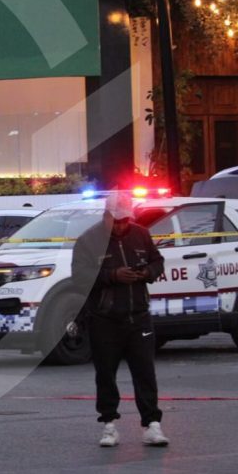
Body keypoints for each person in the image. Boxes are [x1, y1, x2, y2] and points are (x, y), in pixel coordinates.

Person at [72, 192, 169, 448]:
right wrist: (113, 275)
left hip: (138, 316)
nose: (120, 225)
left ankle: (152, 424)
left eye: (125, 220)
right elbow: (79, 277)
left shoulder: (141, 234)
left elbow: (158, 262)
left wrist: (147, 272)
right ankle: (108, 425)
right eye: (115, 221)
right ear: (105, 216)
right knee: (105, 373)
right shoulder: (88, 241)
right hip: (104, 319)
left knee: (145, 371)